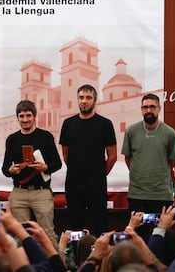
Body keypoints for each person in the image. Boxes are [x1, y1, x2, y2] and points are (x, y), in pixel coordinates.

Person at [2, 100, 62, 248]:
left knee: (47, 232)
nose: (25, 119)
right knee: (19, 234)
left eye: (28, 115)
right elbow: (5, 168)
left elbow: (57, 164)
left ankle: (55, 266)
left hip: (41, 192)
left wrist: (45, 167)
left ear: (35, 116)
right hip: (19, 192)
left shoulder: (45, 137)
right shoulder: (12, 139)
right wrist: (11, 171)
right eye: (21, 116)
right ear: (17, 118)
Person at [59, 84, 117, 236]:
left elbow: (112, 156)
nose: (84, 101)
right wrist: (77, 170)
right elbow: (66, 155)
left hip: (96, 185)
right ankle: (77, 259)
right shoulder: (68, 124)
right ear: (78, 100)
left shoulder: (105, 124)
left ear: (95, 100)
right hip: (73, 184)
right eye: (81, 97)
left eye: (88, 98)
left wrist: (98, 174)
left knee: (101, 226)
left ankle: (101, 259)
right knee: (75, 228)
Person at [121, 93, 175, 214]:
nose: (148, 110)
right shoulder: (131, 131)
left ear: (159, 108)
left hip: (161, 194)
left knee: (161, 231)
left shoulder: (170, 133)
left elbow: (171, 161)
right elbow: (128, 158)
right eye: (145, 107)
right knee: (136, 231)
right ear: (141, 110)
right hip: (137, 194)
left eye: (152, 107)